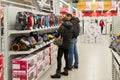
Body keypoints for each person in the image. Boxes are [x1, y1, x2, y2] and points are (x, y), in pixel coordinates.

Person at [51, 13, 73, 78]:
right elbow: (73, 34)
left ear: (63, 20)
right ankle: (66, 71)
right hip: (68, 43)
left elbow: (57, 35)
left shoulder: (62, 26)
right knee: (66, 58)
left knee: (59, 58)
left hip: (62, 44)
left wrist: (55, 34)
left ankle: (58, 73)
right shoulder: (71, 26)